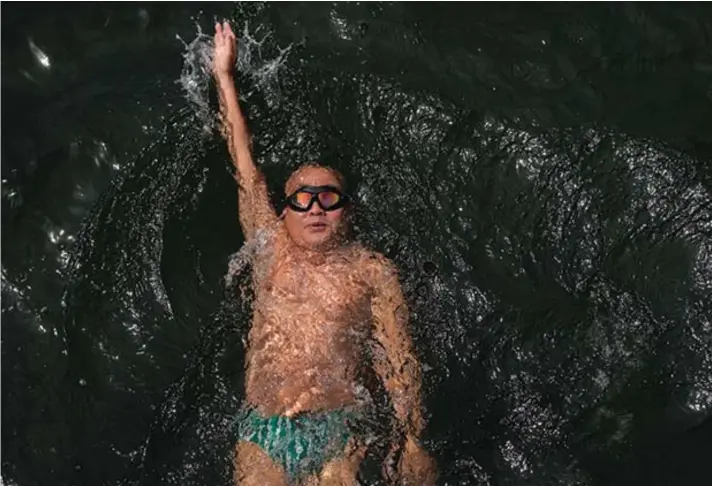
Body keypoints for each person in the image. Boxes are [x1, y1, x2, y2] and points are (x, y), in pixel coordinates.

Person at [213, 21, 437, 486]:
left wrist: (412, 439)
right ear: (284, 211)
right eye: (302, 197)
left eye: (329, 197)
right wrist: (224, 78)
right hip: (262, 429)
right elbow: (243, 162)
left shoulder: (371, 270)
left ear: (346, 212)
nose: (315, 207)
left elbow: (399, 357)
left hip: (337, 429)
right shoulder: (268, 244)